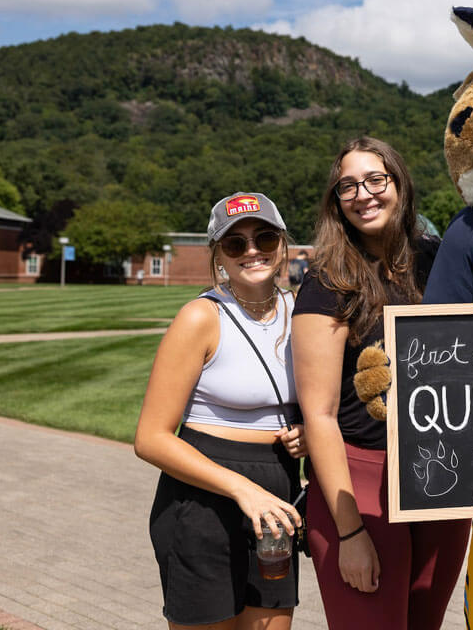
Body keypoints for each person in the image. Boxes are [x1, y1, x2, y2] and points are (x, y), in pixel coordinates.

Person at [292, 137, 470, 629]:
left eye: (375, 180)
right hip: (361, 481)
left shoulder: (441, 262)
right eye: (347, 186)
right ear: (336, 203)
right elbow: (320, 415)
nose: (363, 194)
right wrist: (350, 534)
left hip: (441, 476)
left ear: (399, 184)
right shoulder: (328, 281)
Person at [134, 191, 307, 630]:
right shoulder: (201, 316)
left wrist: (306, 431)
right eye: (235, 244)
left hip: (276, 494)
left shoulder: (302, 313)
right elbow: (150, 438)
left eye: (264, 238)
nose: (252, 251)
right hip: (203, 499)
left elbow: (323, 405)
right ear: (219, 257)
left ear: (283, 245)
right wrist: (241, 489)